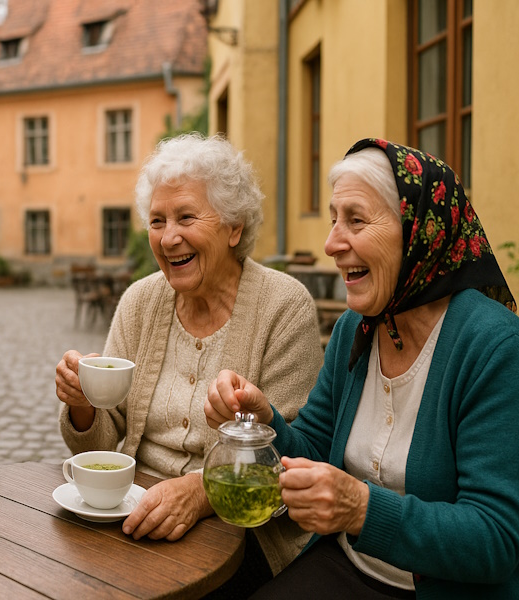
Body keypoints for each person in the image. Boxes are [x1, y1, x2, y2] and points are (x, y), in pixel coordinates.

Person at [207, 138, 519, 599]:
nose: (331, 243)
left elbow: (495, 539)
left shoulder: (496, 347)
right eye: (333, 219)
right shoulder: (355, 329)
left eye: (356, 220)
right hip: (348, 567)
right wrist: (266, 421)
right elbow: (316, 452)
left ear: (418, 230)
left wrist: (362, 510)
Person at [55, 133, 323, 577]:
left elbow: (292, 458)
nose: (168, 237)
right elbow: (102, 442)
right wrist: (82, 404)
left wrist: (201, 492)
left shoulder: (283, 306)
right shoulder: (140, 301)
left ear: (234, 226)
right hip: (134, 510)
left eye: (186, 217)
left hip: (241, 530)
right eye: (157, 221)